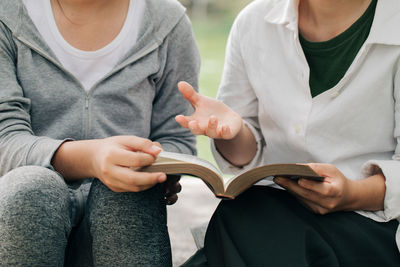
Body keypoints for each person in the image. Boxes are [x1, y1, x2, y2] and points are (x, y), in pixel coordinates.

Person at [176, 0, 400, 266]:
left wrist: (352, 193)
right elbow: (244, 156)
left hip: (375, 223)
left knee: (242, 223)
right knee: (249, 214)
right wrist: (230, 132)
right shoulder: (254, 22)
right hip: (275, 213)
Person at [0, 0, 200, 266]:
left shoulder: (167, 20)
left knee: (125, 196)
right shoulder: (7, 14)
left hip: (122, 219)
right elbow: (5, 138)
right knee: (31, 188)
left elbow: (178, 138)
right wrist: (92, 159)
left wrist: (155, 166)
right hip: (21, 222)